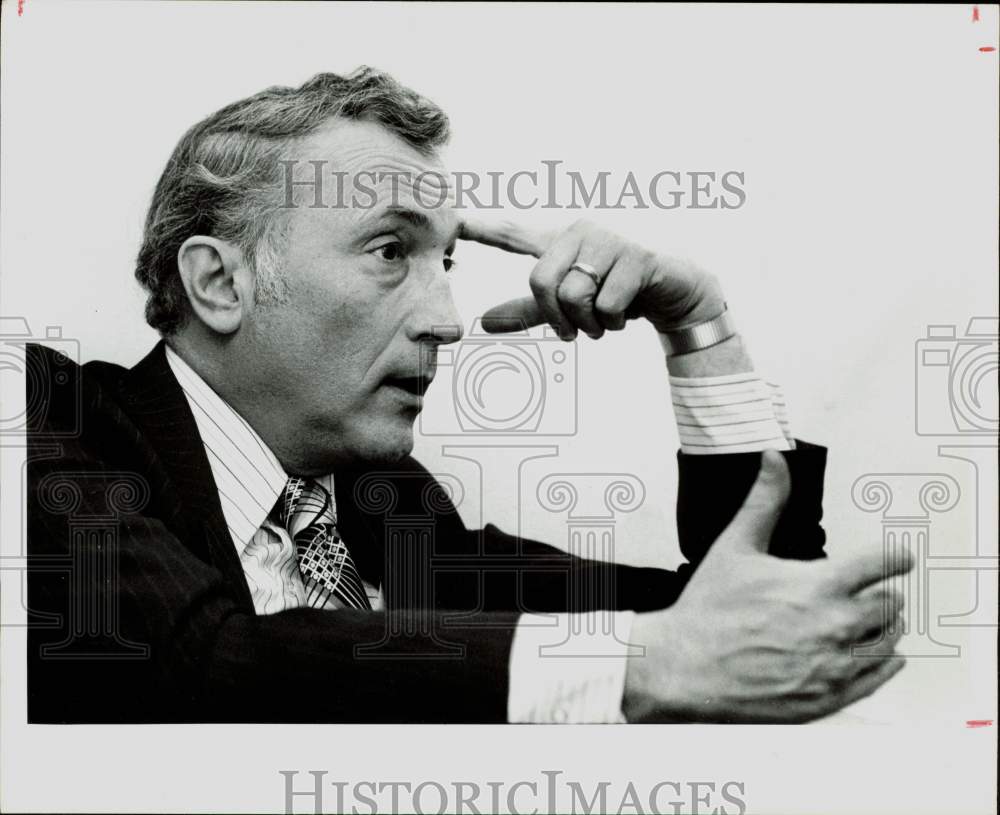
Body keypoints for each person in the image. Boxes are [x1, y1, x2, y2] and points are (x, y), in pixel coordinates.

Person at [26, 67, 910, 724]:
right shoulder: (52, 423)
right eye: (387, 252)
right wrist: (647, 667)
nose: (448, 322)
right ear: (220, 282)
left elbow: (745, 612)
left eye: (445, 262)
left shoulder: (392, 509)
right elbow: (197, 663)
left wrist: (697, 328)